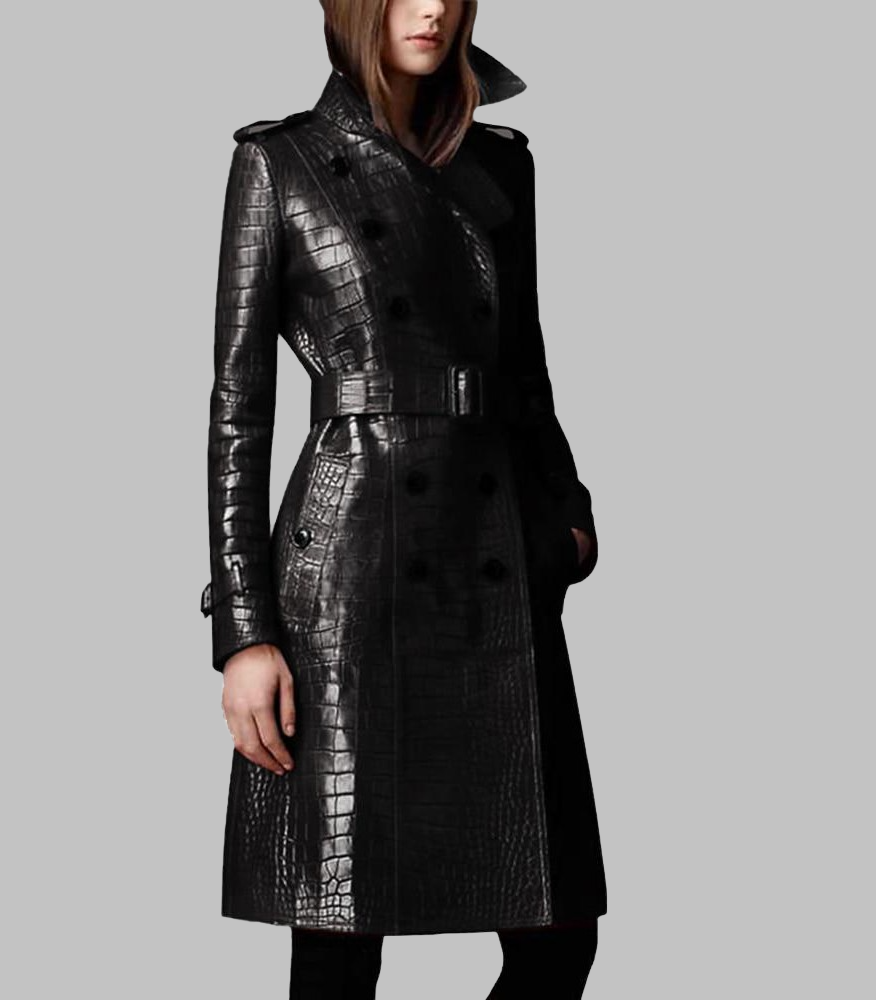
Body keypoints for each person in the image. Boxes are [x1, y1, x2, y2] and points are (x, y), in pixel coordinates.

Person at [201, 1, 607, 996]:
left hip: (493, 556)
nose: (432, 8)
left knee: (556, 936)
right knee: (340, 936)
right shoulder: (281, 161)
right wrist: (245, 632)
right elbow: (238, 409)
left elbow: (525, 367)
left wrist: (566, 515)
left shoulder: (501, 162)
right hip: (349, 573)